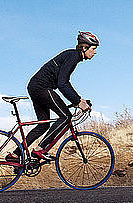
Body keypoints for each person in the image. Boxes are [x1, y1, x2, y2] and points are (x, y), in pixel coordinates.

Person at [6, 31, 99, 163]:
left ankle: (15, 155)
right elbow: (63, 83)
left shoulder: (72, 56)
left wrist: (78, 100)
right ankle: (40, 149)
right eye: (93, 49)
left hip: (35, 87)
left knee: (43, 125)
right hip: (42, 87)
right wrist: (78, 101)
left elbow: (63, 82)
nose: (95, 52)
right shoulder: (73, 56)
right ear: (84, 47)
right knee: (66, 117)